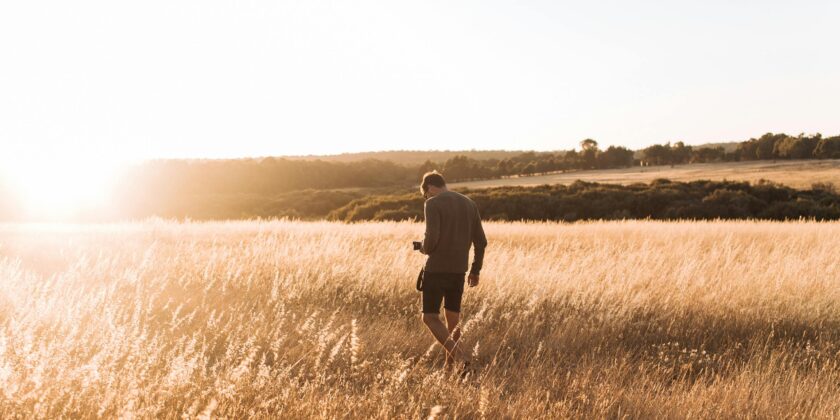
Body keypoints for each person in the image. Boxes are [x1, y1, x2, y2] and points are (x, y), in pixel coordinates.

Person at [417, 171, 487, 375]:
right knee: (452, 320)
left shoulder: (433, 204)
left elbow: (430, 242)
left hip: (436, 269)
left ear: (429, 187)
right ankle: (450, 369)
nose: (427, 198)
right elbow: (481, 242)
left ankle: (461, 357)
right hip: (459, 271)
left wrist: (421, 247)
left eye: (425, 195)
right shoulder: (469, 204)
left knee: (429, 317)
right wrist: (475, 270)